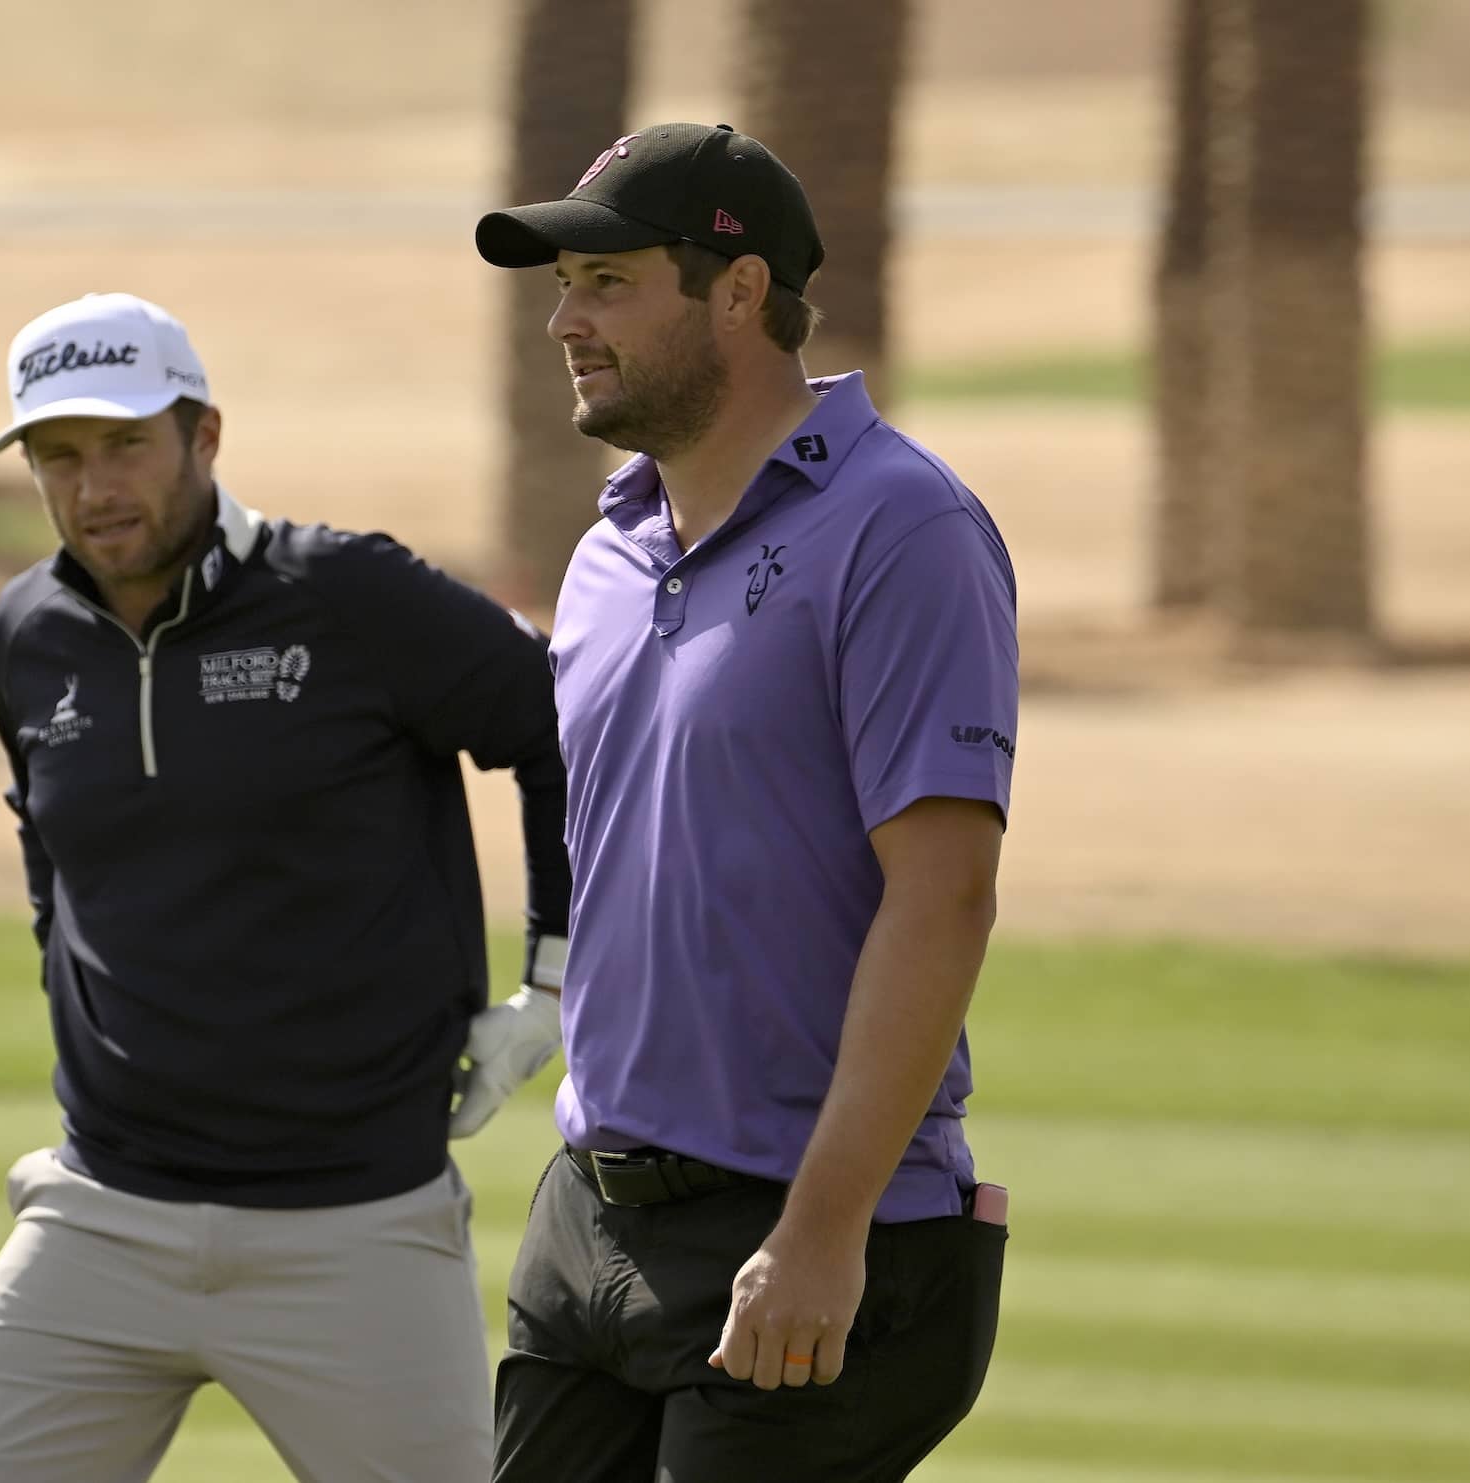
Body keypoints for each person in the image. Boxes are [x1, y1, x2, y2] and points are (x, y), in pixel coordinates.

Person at [0, 292, 572, 1483]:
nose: (94, 485)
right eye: (59, 457)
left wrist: (555, 980)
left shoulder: (349, 596)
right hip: (104, 1212)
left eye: (126, 445)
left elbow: (561, 725)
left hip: (357, 1226)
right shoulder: (27, 633)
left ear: (204, 436)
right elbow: (47, 853)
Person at [473, 123, 1017, 1481]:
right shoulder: (609, 549)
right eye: (562, 287)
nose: (564, 321)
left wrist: (825, 1228)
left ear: (734, 289)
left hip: (813, 1229)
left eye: (606, 282)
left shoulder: (904, 528)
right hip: (588, 1214)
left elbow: (943, 892)